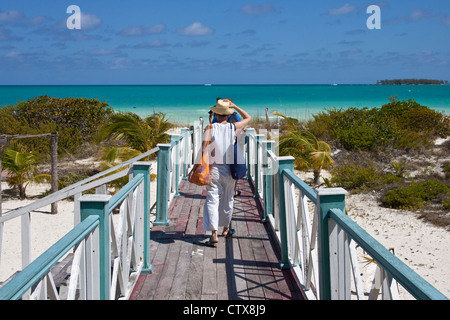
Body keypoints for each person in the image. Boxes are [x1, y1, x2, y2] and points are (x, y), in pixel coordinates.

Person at [203, 98, 251, 247]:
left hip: (214, 170)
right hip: (230, 171)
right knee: (228, 199)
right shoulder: (233, 127)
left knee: (212, 200)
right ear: (228, 114)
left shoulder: (210, 128)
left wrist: (204, 170)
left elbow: (204, 151)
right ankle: (225, 229)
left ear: (216, 114)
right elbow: (248, 118)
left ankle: (213, 234)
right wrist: (235, 105)